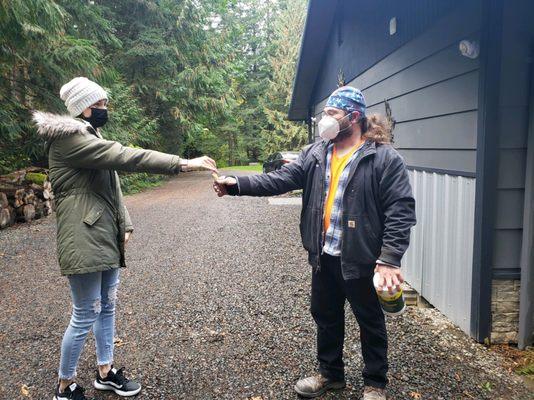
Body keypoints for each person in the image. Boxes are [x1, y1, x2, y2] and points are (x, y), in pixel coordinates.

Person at [214, 86, 416, 400]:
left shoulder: (383, 158)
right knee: (326, 316)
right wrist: (238, 184)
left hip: (361, 257)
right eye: (324, 114)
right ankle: (330, 375)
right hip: (324, 254)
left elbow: (400, 209)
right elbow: (280, 179)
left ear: (353, 117)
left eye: (332, 114)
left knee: (370, 321)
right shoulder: (316, 152)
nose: (325, 120)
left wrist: (389, 258)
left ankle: (375, 384)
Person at [33, 77, 217, 400]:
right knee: (85, 312)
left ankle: (105, 372)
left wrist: (125, 223)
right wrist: (183, 164)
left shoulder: (91, 136)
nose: (105, 109)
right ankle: (64, 386)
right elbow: (125, 157)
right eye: (100, 104)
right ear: (84, 108)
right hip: (83, 240)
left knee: (107, 306)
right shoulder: (69, 141)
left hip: (104, 236)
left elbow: (111, 184)